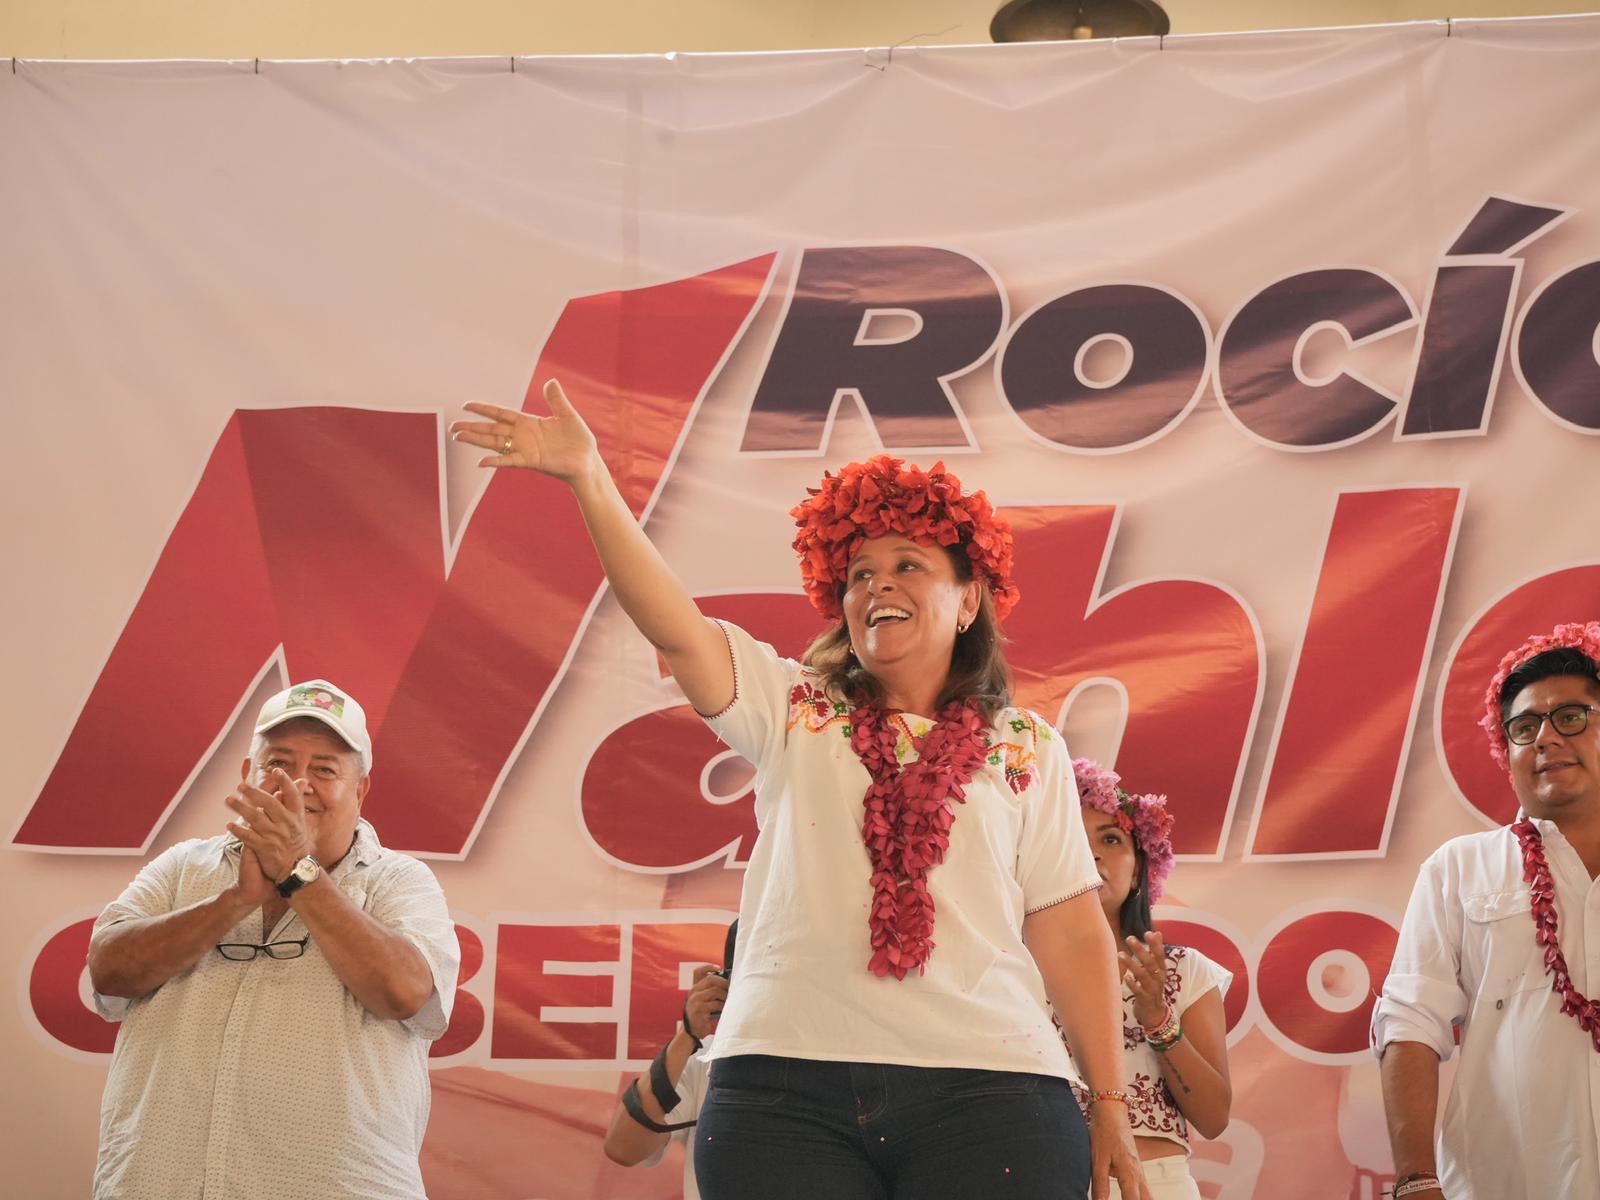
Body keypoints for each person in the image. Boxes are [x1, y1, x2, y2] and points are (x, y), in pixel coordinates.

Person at [452, 382, 1150, 1200]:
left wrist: (1109, 1106)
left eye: (907, 566)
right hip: (784, 1089)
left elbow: (1069, 929)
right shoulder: (795, 708)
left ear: (969, 601)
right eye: (857, 574)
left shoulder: (1026, 746)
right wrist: (590, 480)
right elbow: (676, 627)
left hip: (992, 1089)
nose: (876, 586)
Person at [87, 679, 461, 1200]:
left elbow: (404, 993)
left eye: (325, 769)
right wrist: (232, 902)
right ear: (248, 776)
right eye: (278, 765)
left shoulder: (399, 881)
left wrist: (297, 874)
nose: (297, 784)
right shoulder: (181, 868)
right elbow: (108, 969)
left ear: (361, 790)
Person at [1372, 621, 1600, 1200]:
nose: (1545, 739)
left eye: (1570, 717)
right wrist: (1415, 1181)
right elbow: (1410, 1024)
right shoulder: (1458, 869)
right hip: (1504, 1180)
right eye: (1524, 728)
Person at [1069, 759, 1232, 1200]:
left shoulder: (1184, 970)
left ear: (1140, 868)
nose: (1094, 854)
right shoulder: (1016, 968)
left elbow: (1214, 1117)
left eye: (1110, 839)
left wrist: (1159, 1020)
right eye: (1073, 840)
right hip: (1042, 1179)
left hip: (1156, 1185)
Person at [603, 921, 738, 1199]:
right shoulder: (705, 1062)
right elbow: (623, 1148)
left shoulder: (848, 1061)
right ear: (727, 983)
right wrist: (687, 1036)